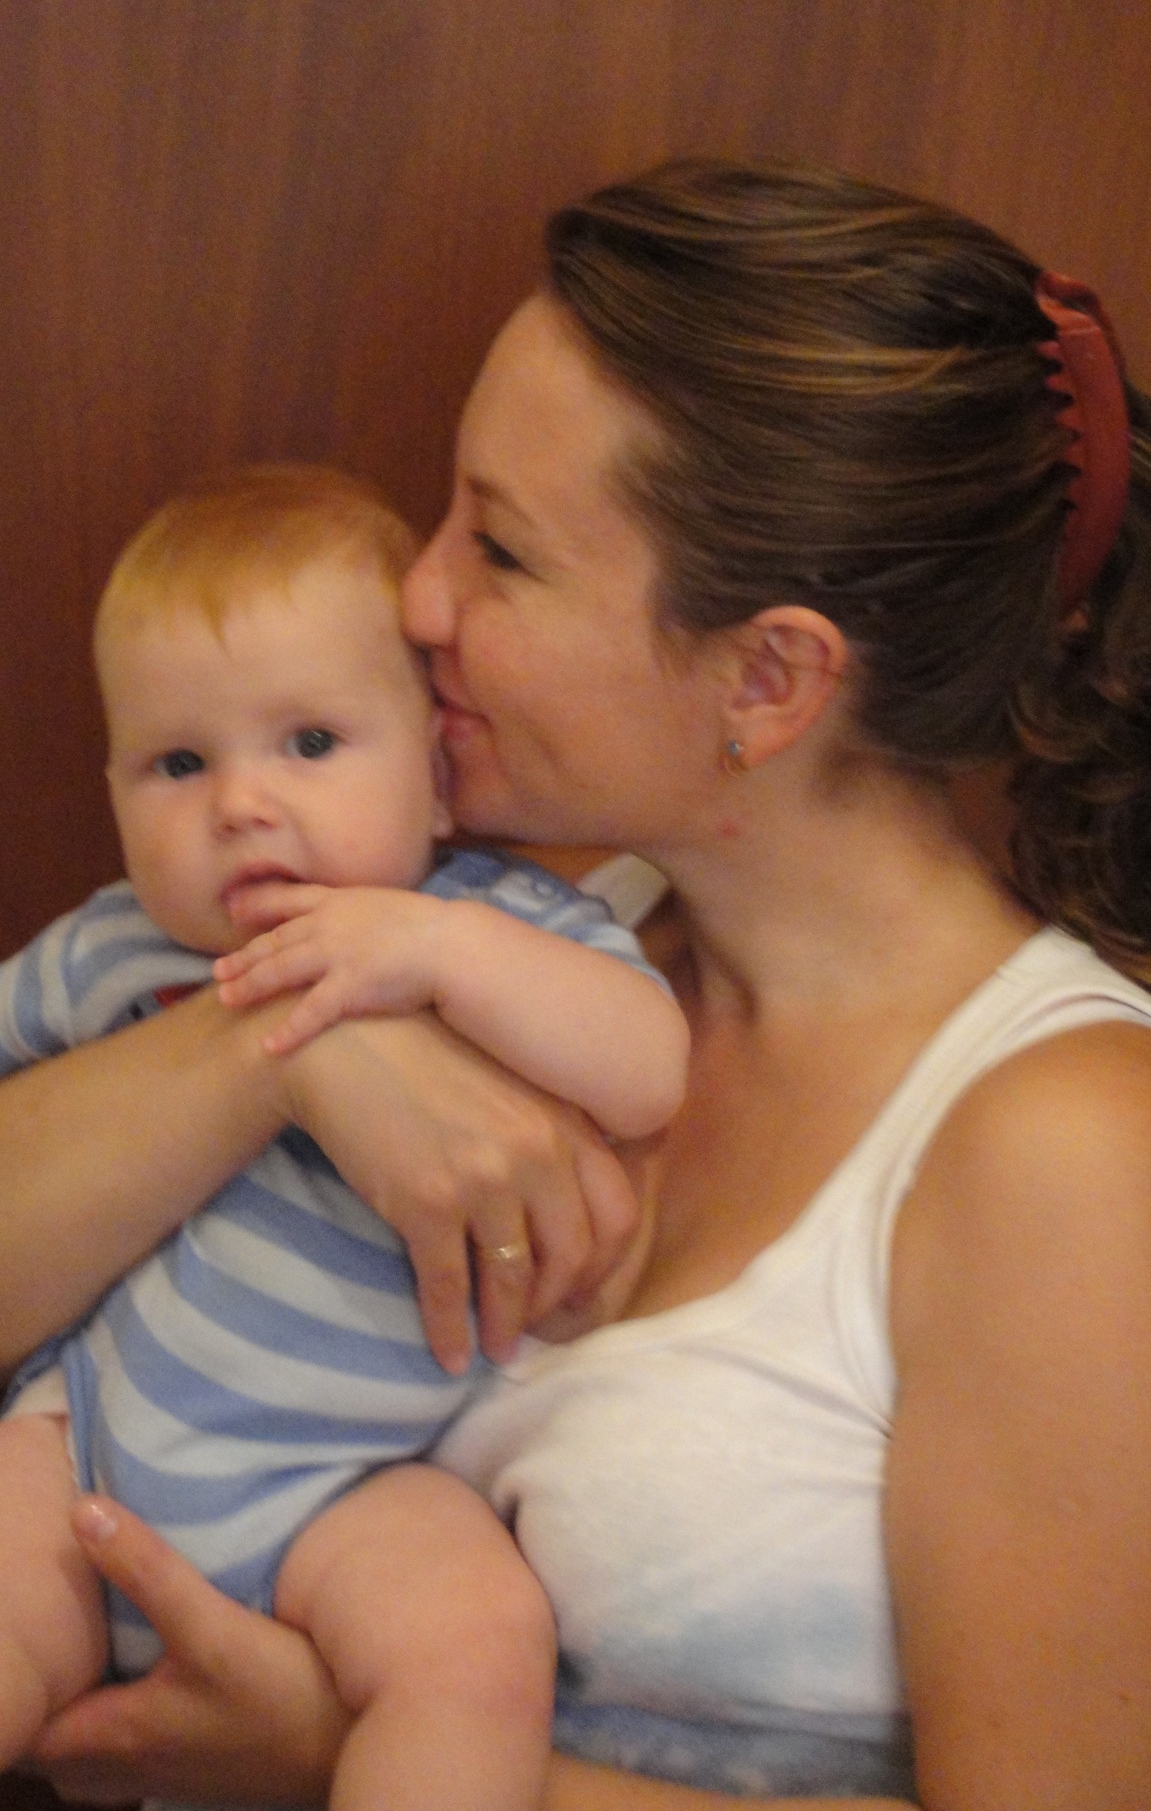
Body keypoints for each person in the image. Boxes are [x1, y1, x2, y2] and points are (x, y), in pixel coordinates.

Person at [2, 157, 1151, 1811]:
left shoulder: (1071, 1148)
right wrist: (284, 1050)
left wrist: (333, 1752)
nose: (417, 598)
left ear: (769, 678)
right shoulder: (522, 931)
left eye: (503, 552)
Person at [0, 462, 688, 1811]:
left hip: (345, 1493)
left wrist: (434, 951)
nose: (241, 804)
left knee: (480, 1652)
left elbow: (649, 1065)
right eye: (179, 763)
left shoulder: (495, 925)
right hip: (78, 1447)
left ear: (436, 777)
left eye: (310, 743)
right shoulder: (115, 948)